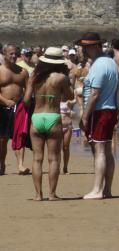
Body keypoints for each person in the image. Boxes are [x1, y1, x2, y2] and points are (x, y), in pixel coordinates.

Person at [24, 47, 73, 200]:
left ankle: (38, 195)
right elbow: (69, 97)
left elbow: (25, 101)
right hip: (53, 117)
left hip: (37, 117)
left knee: (37, 159)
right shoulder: (60, 78)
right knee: (54, 158)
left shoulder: (34, 76)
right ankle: (52, 194)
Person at [78, 32, 119, 199]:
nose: (83, 50)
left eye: (86, 47)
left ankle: (97, 189)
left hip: (100, 110)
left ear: (96, 46)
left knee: (100, 150)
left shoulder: (98, 65)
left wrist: (85, 117)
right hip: (109, 109)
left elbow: (95, 93)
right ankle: (107, 189)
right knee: (106, 150)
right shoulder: (111, 62)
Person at [0, 44, 30, 175]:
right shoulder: (0, 70)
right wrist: (5, 101)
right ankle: (1, 163)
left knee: (20, 136)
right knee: (2, 139)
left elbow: (28, 88)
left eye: (15, 54)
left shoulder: (23, 72)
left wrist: (26, 101)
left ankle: (20, 165)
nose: (13, 56)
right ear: (4, 54)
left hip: (19, 108)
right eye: (11, 53)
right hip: (2, 107)